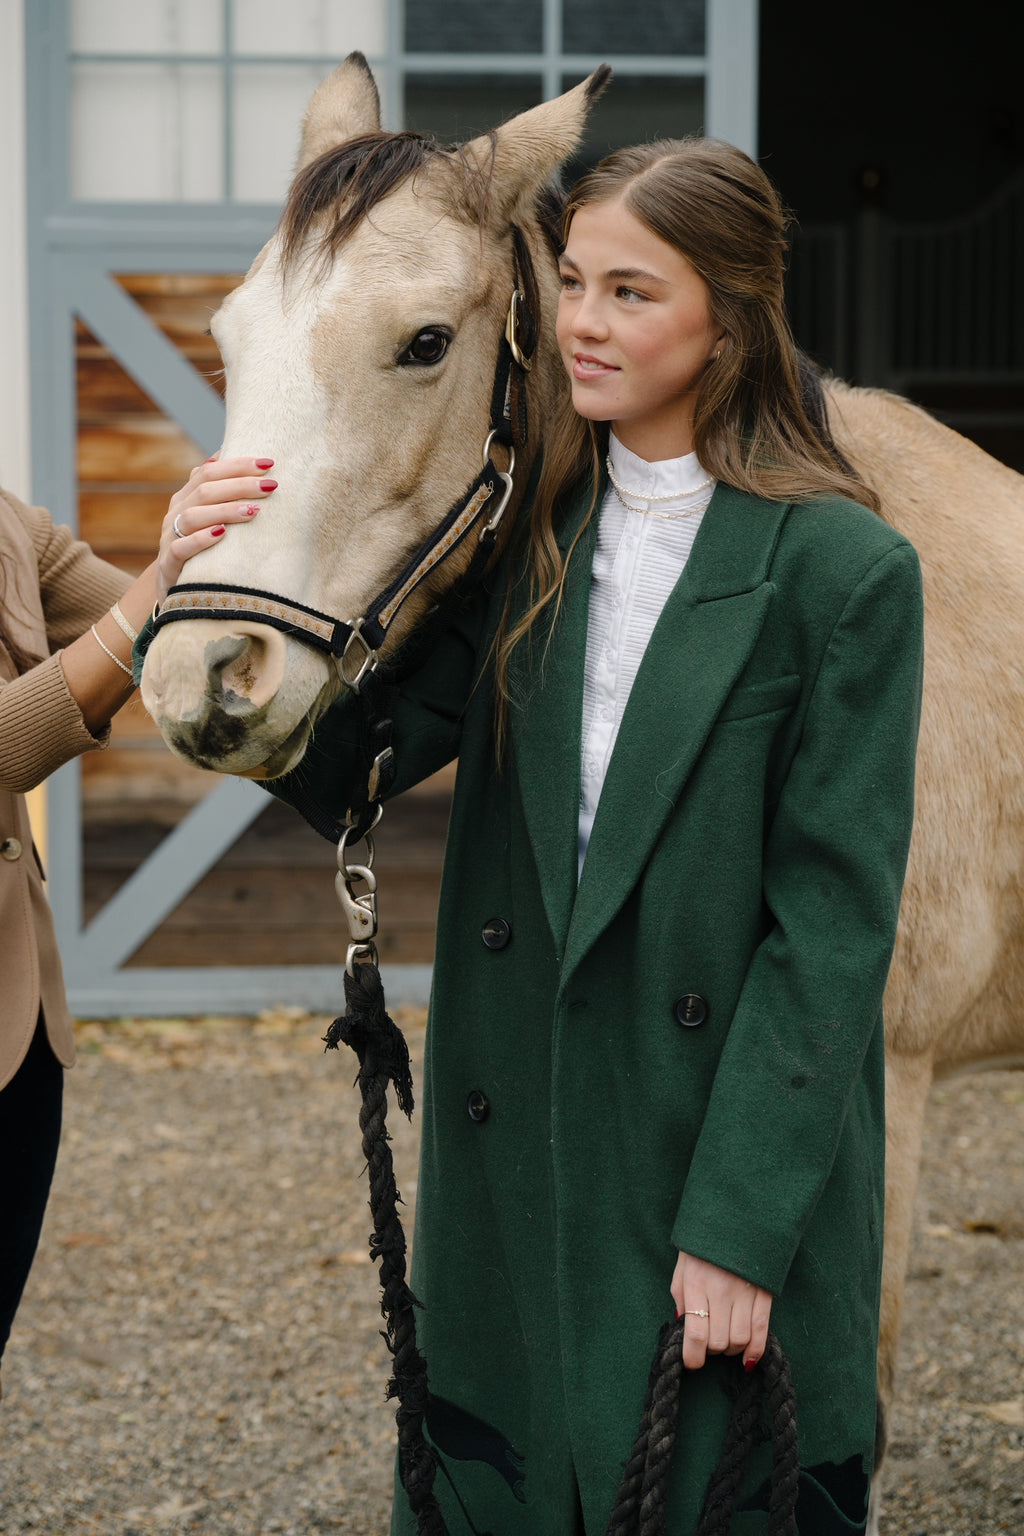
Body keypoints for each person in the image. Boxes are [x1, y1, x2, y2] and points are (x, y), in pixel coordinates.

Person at [182, 139, 922, 1533]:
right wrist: (207, 588)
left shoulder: (844, 571)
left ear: (731, 318)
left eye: (634, 292)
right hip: (522, 1151)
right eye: (573, 280)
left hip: (706, 1158)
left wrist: (740, 1232)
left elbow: (832, 933)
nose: (583, 320)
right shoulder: (526, 534)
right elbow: (341, 762)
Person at [0, 457, 277, 1390]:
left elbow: (184, 637)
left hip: (19, 1023)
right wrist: (163, 581)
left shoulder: (9, 526)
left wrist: (218, 547)